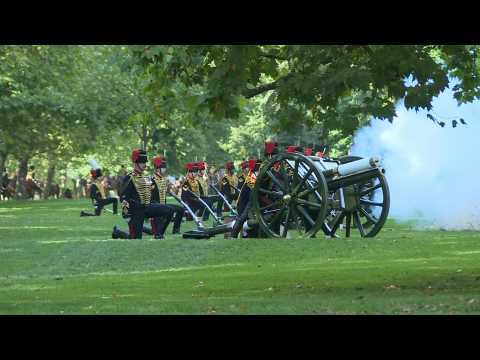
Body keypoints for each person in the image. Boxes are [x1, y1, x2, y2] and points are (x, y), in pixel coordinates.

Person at [112, 149, 174, 240]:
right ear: (136, 163)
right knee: (136, 238)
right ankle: (118, 233)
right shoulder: (129, 178)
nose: (145, 165)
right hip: (135, 211)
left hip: (147, 207)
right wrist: (126, 215)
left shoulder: (145, 177)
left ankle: (159, 234)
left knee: (170, 210)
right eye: (142, 162)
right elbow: (124, 198)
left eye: (145, 162)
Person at [149, 156, 184, 235]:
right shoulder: (151, 179)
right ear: (157, 168)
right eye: (163, 167)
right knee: (156, 231)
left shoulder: (163, 179)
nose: (164, 169)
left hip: (163, 205)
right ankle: (157, 231)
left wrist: (172, 188)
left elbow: (171, 191)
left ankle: (176, 230)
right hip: (155, 207)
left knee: (181, 209)